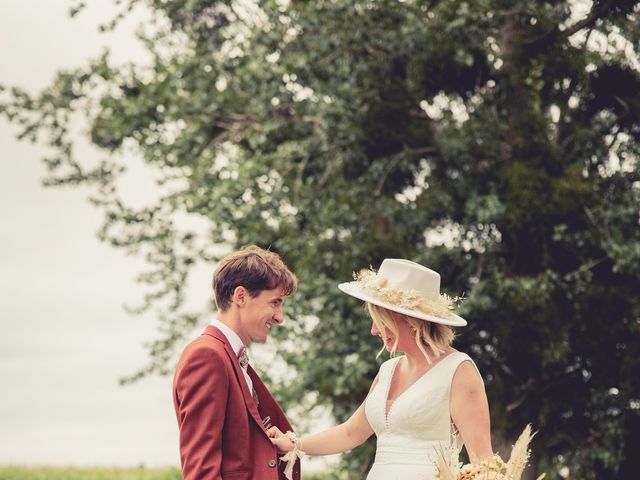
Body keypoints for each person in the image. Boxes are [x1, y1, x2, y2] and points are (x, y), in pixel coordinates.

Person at [269, 258, 492, 480]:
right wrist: (293, 445)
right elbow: (350, 433)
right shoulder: (388, 370)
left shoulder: (458, 370)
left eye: (380, 320)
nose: (374, 330)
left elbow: (482, 459)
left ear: (410, 321)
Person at [173, 245, 301, 480]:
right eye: (275, 302)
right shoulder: (207, 356)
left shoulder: (228, 355)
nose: (280, 317)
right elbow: (202, 471)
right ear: (240, 296)